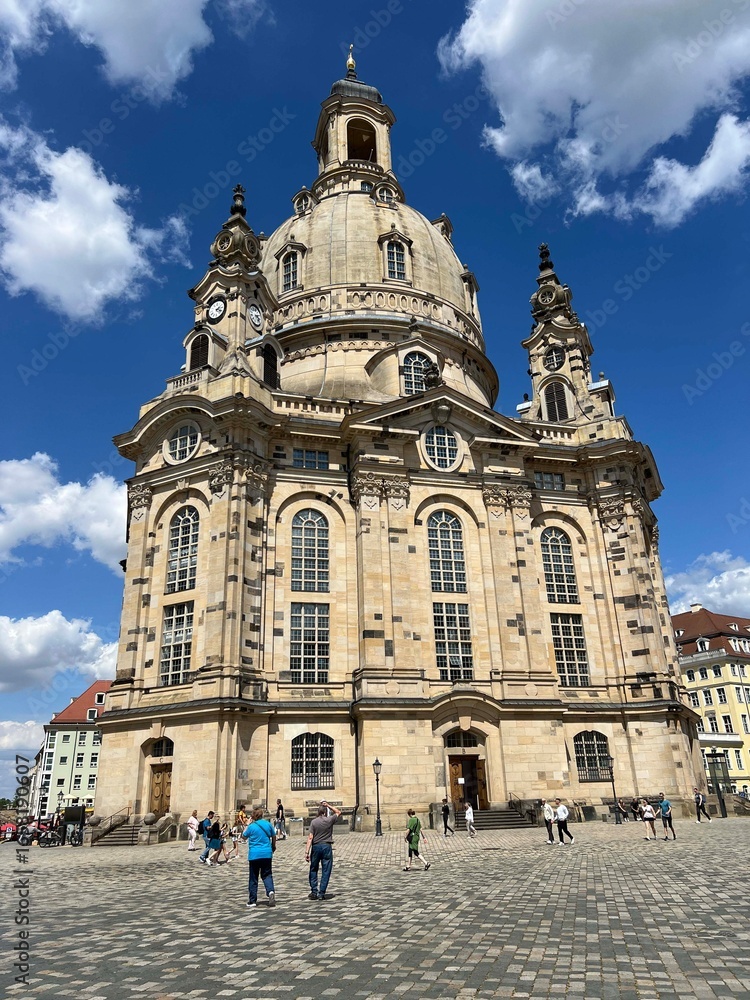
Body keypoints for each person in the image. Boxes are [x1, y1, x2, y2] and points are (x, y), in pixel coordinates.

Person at [305, 799, 342, 900]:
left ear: (318, 812)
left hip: (316, 846)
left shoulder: (313, 822)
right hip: (326, 846)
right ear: (325, 812)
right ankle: (321, 893)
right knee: (326, 870)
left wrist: (307, 852)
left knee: (313, 868)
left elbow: (310, 837)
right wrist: (329, 805)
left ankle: (313, 891)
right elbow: (338, 812)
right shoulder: (329, 820)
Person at [242, 807, 276, 908]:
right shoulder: (268, 824)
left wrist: (247, 825)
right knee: (267, 874)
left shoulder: (251, 826)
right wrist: (273, 846)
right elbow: (274, 836)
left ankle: (252, 901)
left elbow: (243, 837)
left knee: (253, 878)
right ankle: (270, 891)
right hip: (266, 853)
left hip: (254, 855)